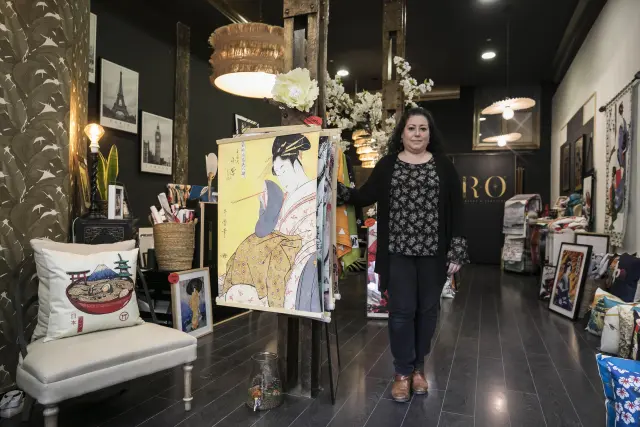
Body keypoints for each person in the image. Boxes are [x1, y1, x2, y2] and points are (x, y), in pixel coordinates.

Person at [338, 107, 469, 402]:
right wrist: (337, 189)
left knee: (428, 312)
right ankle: (401, 372)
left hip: (434, 253)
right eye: (412, 128)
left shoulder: (443, 166)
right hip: (397, 252)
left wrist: (457, 250)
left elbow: (457, 210)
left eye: (423, 129)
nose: (417, 134)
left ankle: (418, 368)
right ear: (402, 133)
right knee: (401, 312)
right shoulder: (388, 165)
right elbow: (365, 195)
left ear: (430, 134)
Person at [220, 134, 319, 312]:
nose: (282, 179)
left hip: (298, 257)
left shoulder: (312, 192)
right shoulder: (282, 195)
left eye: (283, 170)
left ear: (298, 159)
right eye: (278, 174)